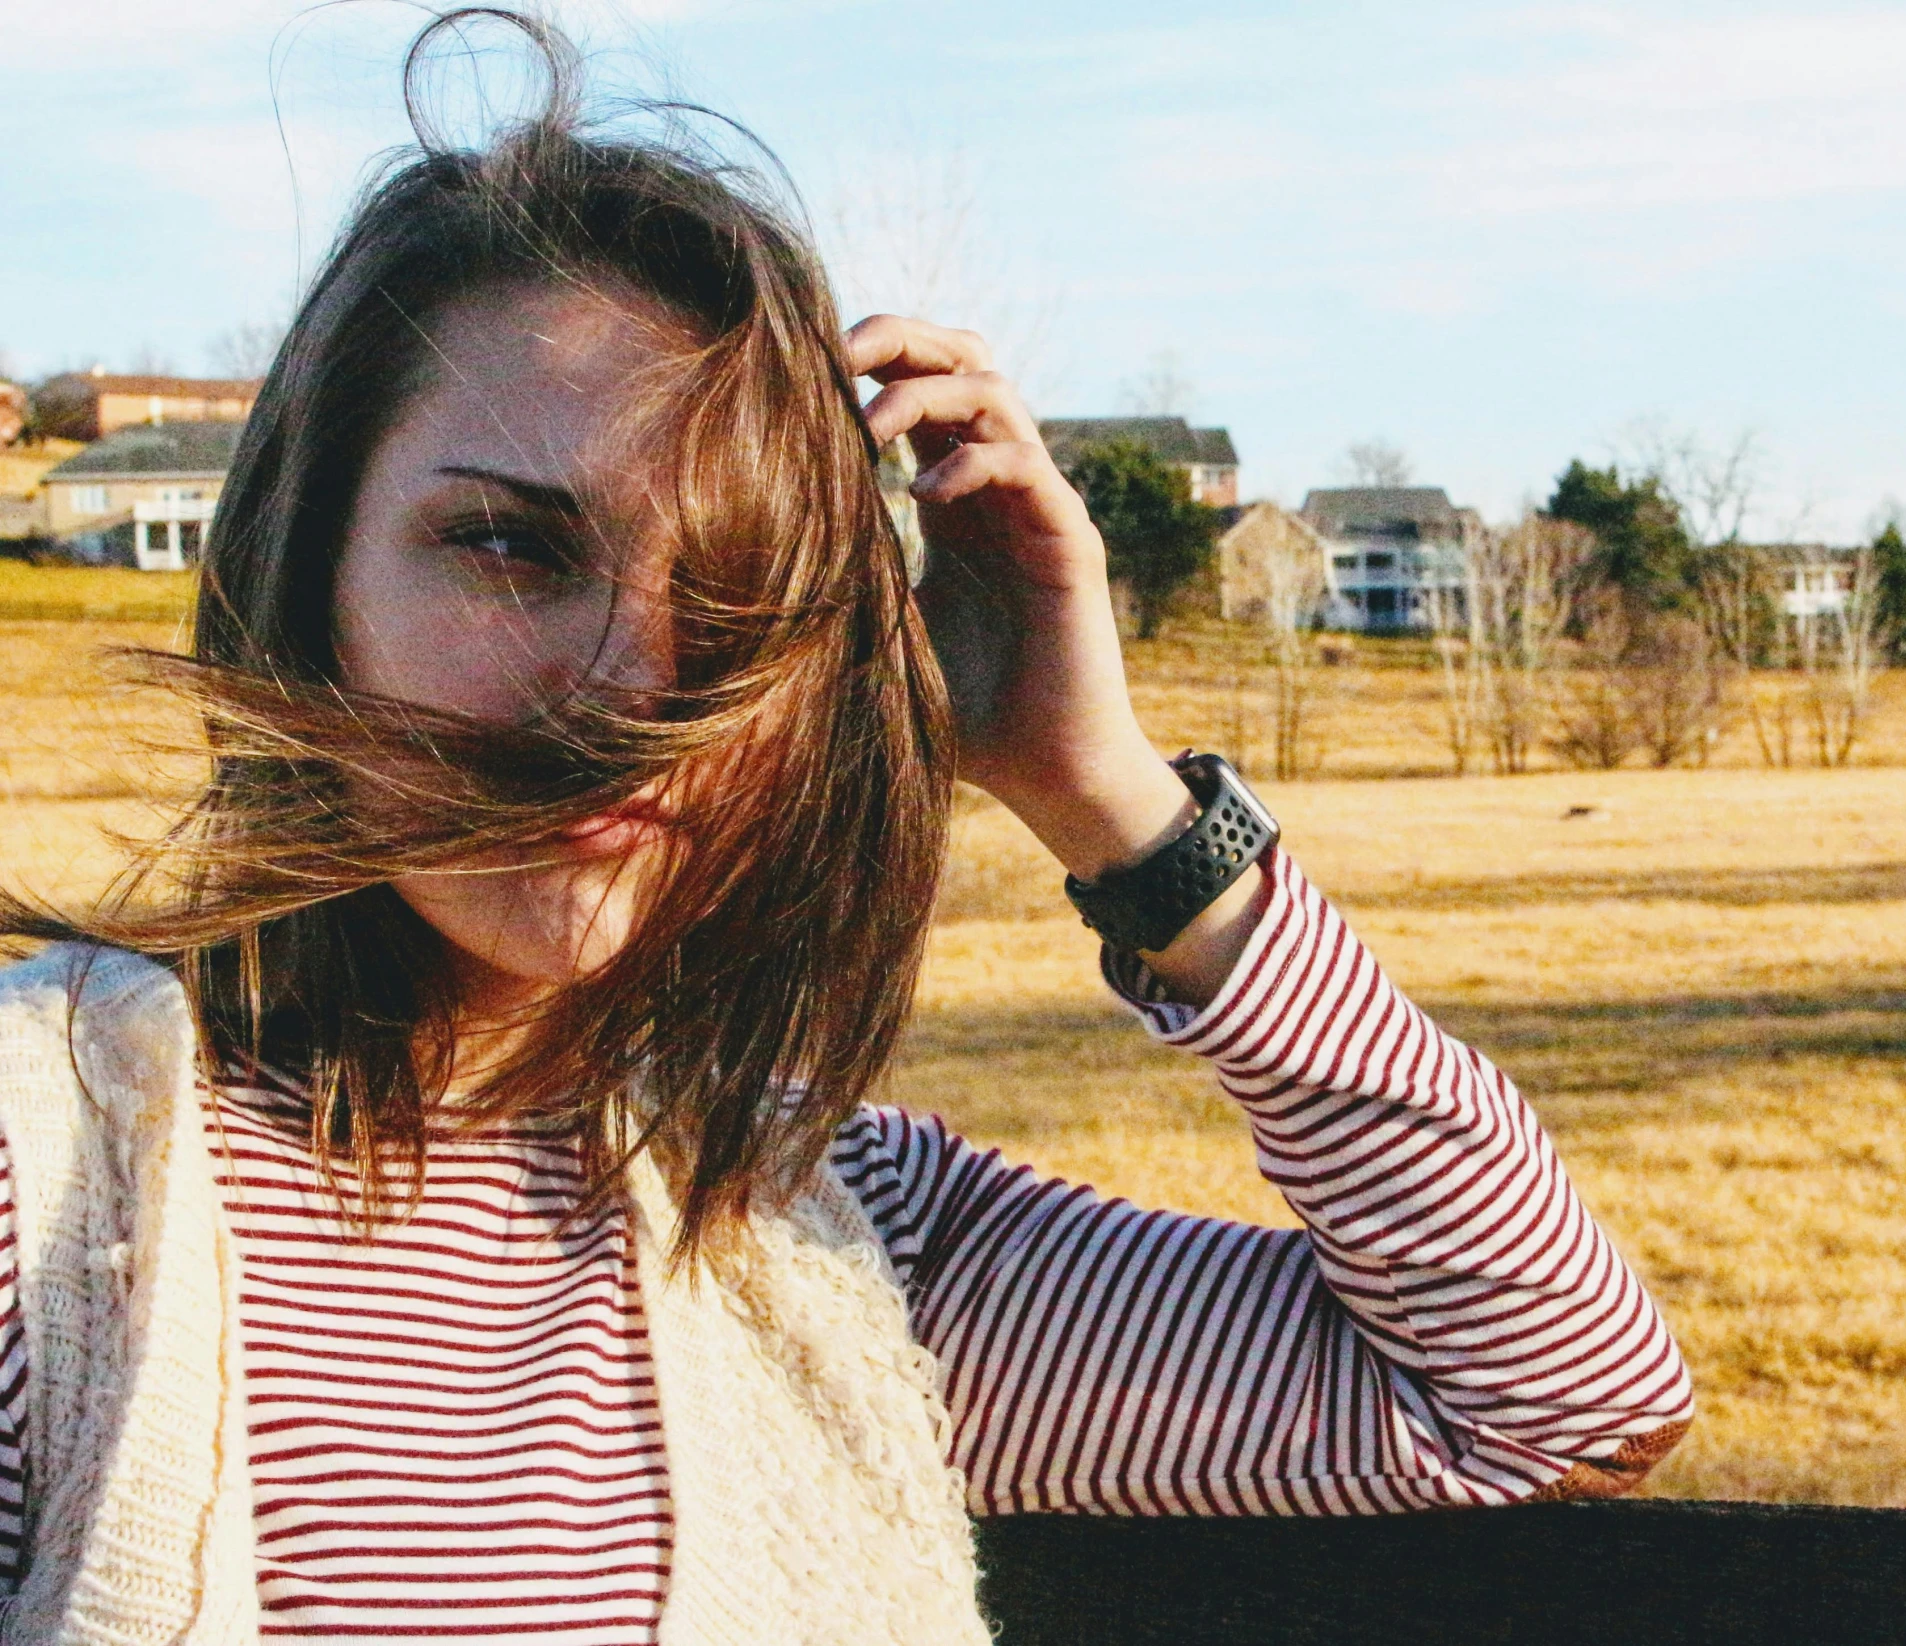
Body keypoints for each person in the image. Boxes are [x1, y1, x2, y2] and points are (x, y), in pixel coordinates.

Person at [0, 13, 1690, 1644]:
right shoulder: (50, 1173)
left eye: (741, 600)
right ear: (302, 580)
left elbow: (1551, 1393)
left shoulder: (837, 1230)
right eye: (515, 547)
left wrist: (1106, 791)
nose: (641, 688)